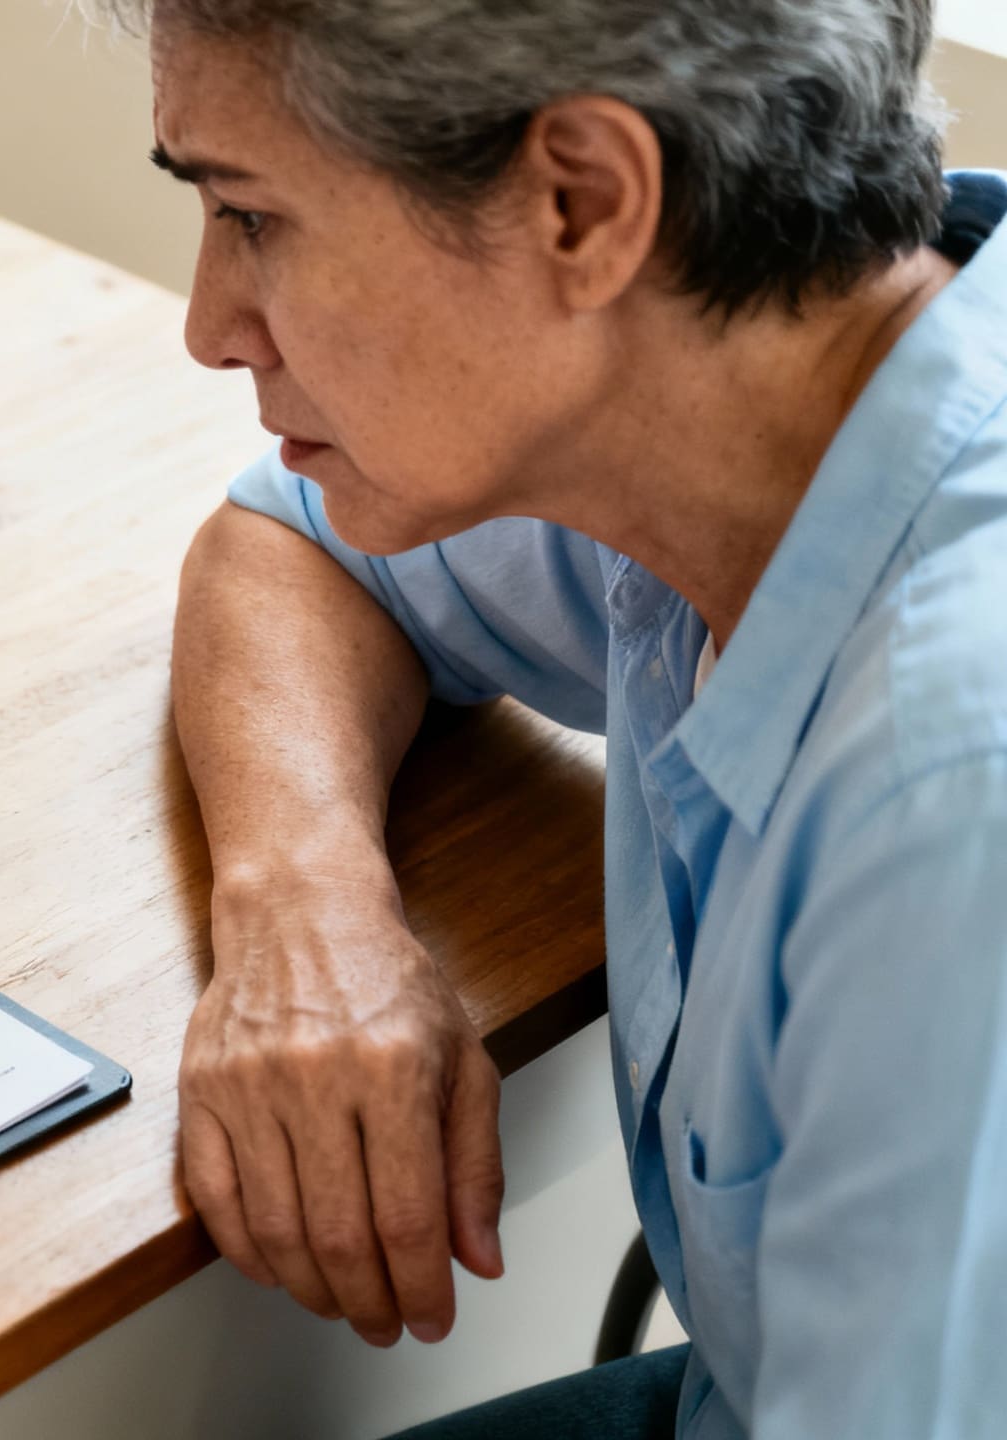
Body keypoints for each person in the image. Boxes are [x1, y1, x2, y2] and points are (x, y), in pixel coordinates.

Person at [113, 0, 1007, 1432]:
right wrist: (310, 905)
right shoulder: (715, 416)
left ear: (581, 204)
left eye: (255, 218)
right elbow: (283, 550)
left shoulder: (948, 796)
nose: (209, 326)